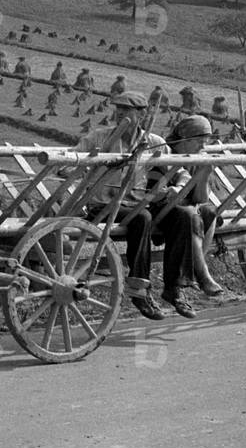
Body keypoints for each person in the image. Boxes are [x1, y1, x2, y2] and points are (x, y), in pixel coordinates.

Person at [73, 92, 170, 319]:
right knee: (142, 218)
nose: (120, 114)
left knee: (148, 215)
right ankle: (139, 289)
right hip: (102, 207)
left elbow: (176, 172)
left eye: (126, 110)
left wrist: (170, 186)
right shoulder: (100, 138)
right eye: (118, 109)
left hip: (134, 204)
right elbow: (73, 157)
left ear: (142, 114)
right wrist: (72, 166)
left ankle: (140, 288)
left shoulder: (154, 143)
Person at [147, 115, 223, 306]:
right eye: (199, 141)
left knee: (208, 211)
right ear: (185, 139)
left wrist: (204, 174)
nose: (202, 146)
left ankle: (199, 271)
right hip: (159, 210)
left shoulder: (197, 158)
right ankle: (201, 274)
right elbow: (153, 193)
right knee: (191, 214)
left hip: (184, 210)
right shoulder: (165, 154)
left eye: (205, 142)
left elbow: (200, 198)